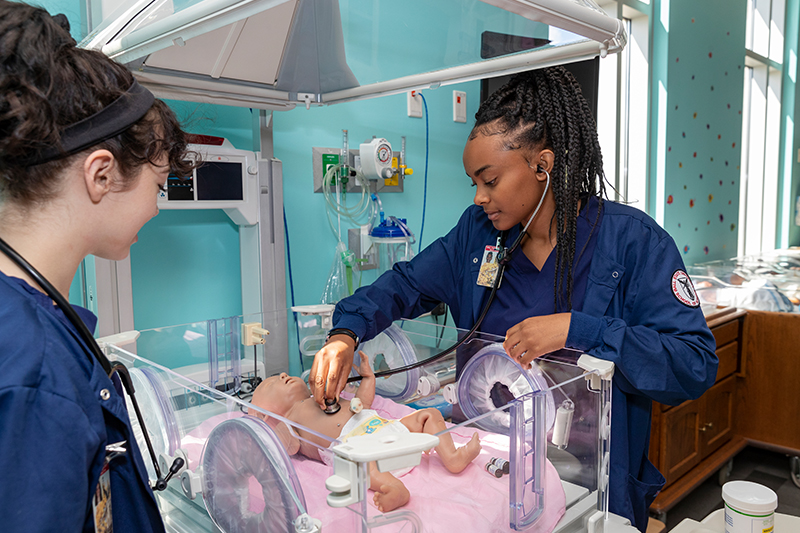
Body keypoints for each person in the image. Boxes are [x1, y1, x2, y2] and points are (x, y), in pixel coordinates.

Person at [310, 66, 718, 531]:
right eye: (474, 183)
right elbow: (404, 285)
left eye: (490, 180)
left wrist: (579, 329)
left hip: (590, 489)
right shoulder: (478, 236)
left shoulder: (632, 243)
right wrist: (346, 333)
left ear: (542, 165)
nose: (479, 198)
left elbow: (693, 364)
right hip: (490, 482)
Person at [0, 3, 195, 531]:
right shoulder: (35, 371)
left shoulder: (28, 322)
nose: (155, 208)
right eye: (158, 187)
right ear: (101, 175)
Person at [248, 352, 481, 512]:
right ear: (265, 414)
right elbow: (283, 447)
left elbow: (363, 403)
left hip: (385, 428)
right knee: (359, 465)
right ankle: (395, 489)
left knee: (428, 414)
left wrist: (368, 379)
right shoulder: (287, 423)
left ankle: (452, 457)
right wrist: (266, 426)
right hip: (356, 448)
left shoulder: (321, 396)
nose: (282, 375)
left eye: (279, 376)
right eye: (270, 384)